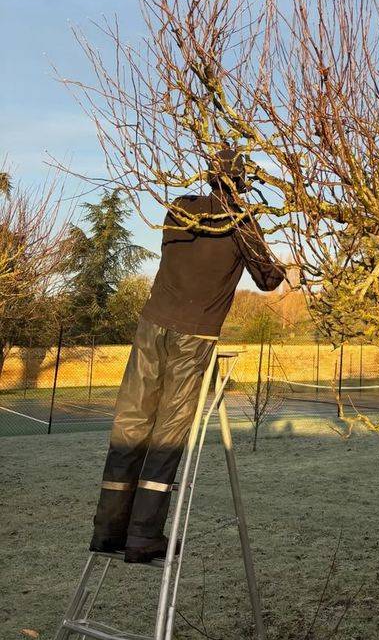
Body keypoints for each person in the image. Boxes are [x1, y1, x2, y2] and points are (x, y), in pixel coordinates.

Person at [90, 150, 284, 563]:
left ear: (211, 177)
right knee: (167, 435)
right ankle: (143, 537)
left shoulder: (180, 208)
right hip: (194, 336)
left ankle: (107, 531)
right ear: (242, 184)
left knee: (131, 425)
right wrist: (287, 268)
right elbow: (267, 279)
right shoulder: (241, 224)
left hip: (150, 326)